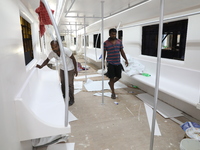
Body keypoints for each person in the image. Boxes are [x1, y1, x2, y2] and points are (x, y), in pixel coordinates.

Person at [36, 40, 78, 106]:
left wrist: (76, 69)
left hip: (70, 68)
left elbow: (74, 59)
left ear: (58, 45)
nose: (54, 48)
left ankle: (72, 99)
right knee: (63, 83)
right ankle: (64, 95)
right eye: (52, 47)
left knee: (70, 84)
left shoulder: (66, 50)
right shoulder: (52, 53)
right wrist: (41, 66)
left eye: (55, 46)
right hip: (62, 68)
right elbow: (47, 60)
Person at [104, 28, 129, 99]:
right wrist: (103, 62)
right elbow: (104, 53)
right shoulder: (106, 43)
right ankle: (113, 92)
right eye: (112, 34)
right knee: (111, 78)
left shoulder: (119, 41)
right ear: (109, 34)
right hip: (110, 63)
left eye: (115, 34)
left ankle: (110, 83)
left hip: (118, 62)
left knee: (119, 76)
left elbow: (122, 51)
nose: (113, 35)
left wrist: (126, 59)